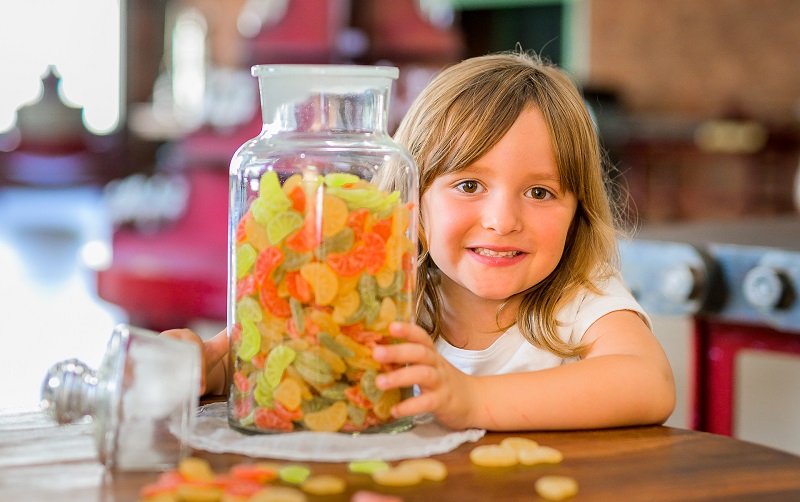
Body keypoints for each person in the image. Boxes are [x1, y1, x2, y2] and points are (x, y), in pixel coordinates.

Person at [164, 51, 675, 431]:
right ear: (412, 199)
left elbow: (647, 383)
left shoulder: (581, 298)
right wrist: (211, 369)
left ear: (577, 212)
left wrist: (472, 399)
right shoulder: (383, 289)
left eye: (540, 192)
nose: (502, 221)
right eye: (469, 185)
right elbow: (300, 364)